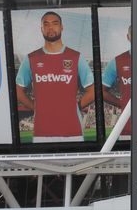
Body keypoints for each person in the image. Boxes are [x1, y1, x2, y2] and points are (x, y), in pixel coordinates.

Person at [15, 11, 95, 142]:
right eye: (46, 24)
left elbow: (92, 91)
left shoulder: (76, 57)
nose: (50, 28)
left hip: (73, 131)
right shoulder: (31, 59)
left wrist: (75, 106)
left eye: (55, 23)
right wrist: (35, 107)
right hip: (42, 132)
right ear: (41, 29)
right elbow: (18, 91)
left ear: (62, 27)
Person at [102, 25, 132, 138]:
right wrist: (122, 104)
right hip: (128, 128)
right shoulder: (117, 61)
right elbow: (102, 91)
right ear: (128, 37)